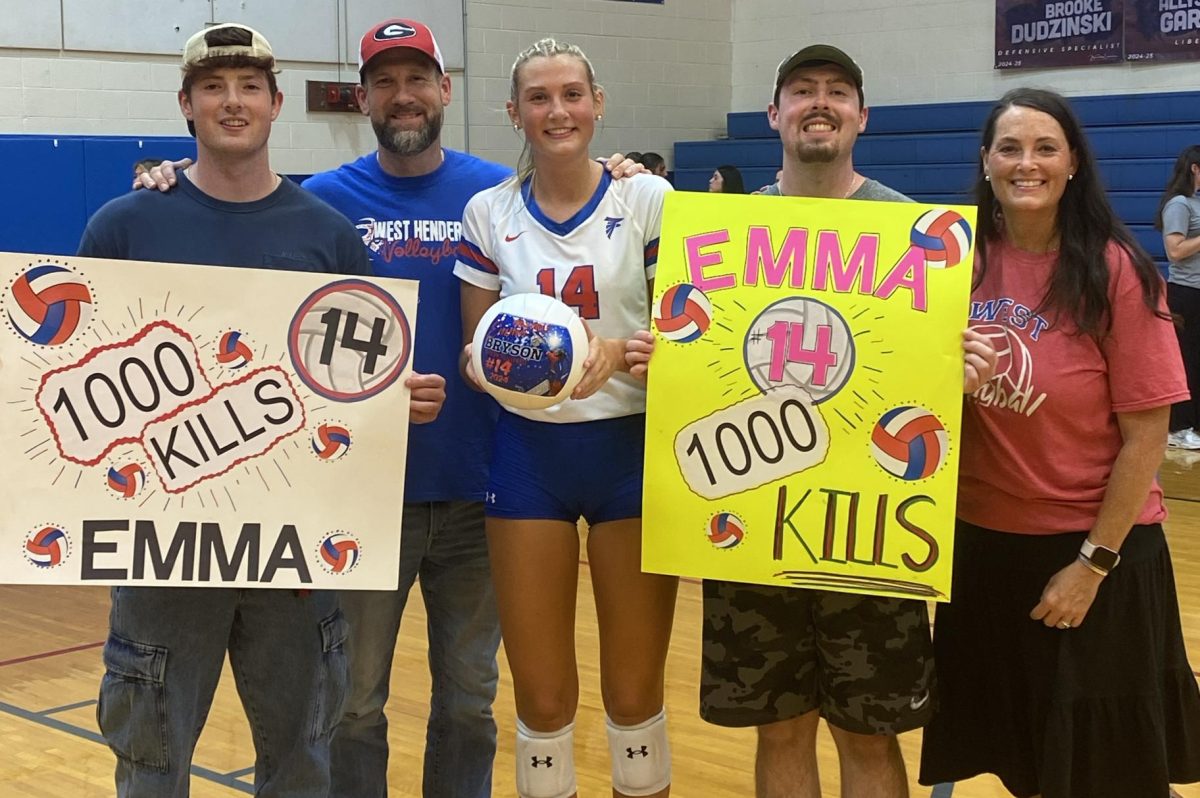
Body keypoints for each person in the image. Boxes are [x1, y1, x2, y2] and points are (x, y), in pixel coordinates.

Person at [132, 19, 645, 798]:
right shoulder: (321, 204)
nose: (403, 96)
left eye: (418, 80)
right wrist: (165, 174)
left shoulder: (496, 193)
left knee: (471, 699)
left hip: (487, 489)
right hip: (367, 495)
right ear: (362, 97)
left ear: (446, 90)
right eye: (385, 82)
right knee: (356, 703)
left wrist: (619, 168)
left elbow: (573, 176)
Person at [80, 23, 444, 797]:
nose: (233, 102)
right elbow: (83, 379)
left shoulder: (329, 236)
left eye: (249, 87)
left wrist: (394, 400)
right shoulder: (124, 226)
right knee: (150, 768)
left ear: (278, 103)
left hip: (295, 550)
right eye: (213, 87)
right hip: (164, 553)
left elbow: (362, 379)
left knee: (304, 763)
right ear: (186, 105)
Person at [626, 44, 994, 798]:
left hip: (871, 527)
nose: (818, 103)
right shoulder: (719, 231)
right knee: (781, 728)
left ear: (862, 116)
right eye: (801, 91)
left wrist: (959, 372)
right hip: (757, 523)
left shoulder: (915, 234)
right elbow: (694, 368)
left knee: (868, 732)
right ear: (774, 114)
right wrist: (656, 359)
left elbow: (933, 380)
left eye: (836, 92)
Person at [919, 88, 1200, 798]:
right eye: (1009, 148)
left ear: (1073, 162)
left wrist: (1091, 566)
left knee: (1115, 776)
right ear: (985, 162)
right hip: (983, 550)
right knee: (1025, 761)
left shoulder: (1118, 272)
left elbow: (1147, 438)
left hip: (1092, 550)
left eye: (1046, 148)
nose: (1027, 163)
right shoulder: (950, 264)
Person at [454, 38, 677, 798]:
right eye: (540, 98)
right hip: (528, 460)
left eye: (572, 94)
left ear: (598, 103)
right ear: (514, 113)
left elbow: (688, 337)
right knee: (542, 698)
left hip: (632, 455)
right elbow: (471, 362)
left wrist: (616, 351)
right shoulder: (487, 212)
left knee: (635, 693)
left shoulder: (647, 200)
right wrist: (503, 359)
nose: (558, 111)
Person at [1157, 145, 1200, 450]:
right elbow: (1175, 250)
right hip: (1186, 295)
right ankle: (1177, 428)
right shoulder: (1180, 204)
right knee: (1187, 362)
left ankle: (1194, 425)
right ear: (1195, 168)